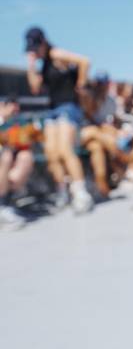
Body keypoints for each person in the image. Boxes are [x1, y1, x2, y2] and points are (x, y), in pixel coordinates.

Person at [24, 27, 93, 213]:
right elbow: (35, 88)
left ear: (43, 43)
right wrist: (31, 64)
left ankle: (80, 192)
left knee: (65, 149)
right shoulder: (43, 64)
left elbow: (85, 61)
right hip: (52, 109)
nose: (34, 51)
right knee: (51, 153)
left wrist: (81, 83)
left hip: (68, 106)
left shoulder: (56, 54)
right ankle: (63, 190)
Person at [0, 96, 36, 230]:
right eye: (12, 105)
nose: (16, 109)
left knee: (25, 156)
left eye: (17, 106)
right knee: (6, 155)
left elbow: (30, 139)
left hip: (7, 164)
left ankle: (5, 204)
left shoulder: (17, 123)